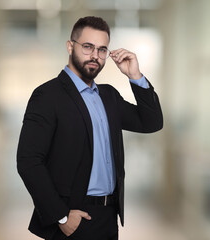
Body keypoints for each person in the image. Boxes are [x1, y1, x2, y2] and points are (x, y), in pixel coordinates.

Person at [16, 16, 163, 240]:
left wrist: (135, 76)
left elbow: (151, 122)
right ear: (70, 46)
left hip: (108, 216)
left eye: (102, 49)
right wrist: (61, 217)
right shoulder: (47, 96)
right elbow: (28, 161)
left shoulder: (109, 96)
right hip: (73, 217)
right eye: (88, 47)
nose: (95, 55)